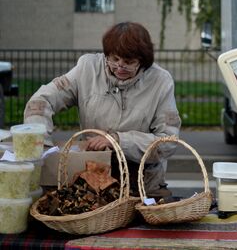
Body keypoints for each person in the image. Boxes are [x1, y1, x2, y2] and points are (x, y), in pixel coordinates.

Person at [24, 22, 181, 198]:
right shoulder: (87, 68)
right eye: (114, 59)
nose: (120, 67)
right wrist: (39, 144)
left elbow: (168, 141)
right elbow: (40, 101)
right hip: (92, 177)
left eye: (128, 62)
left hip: (143, 182)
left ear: (143, 61)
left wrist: (118, 140)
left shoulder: (161, 81)